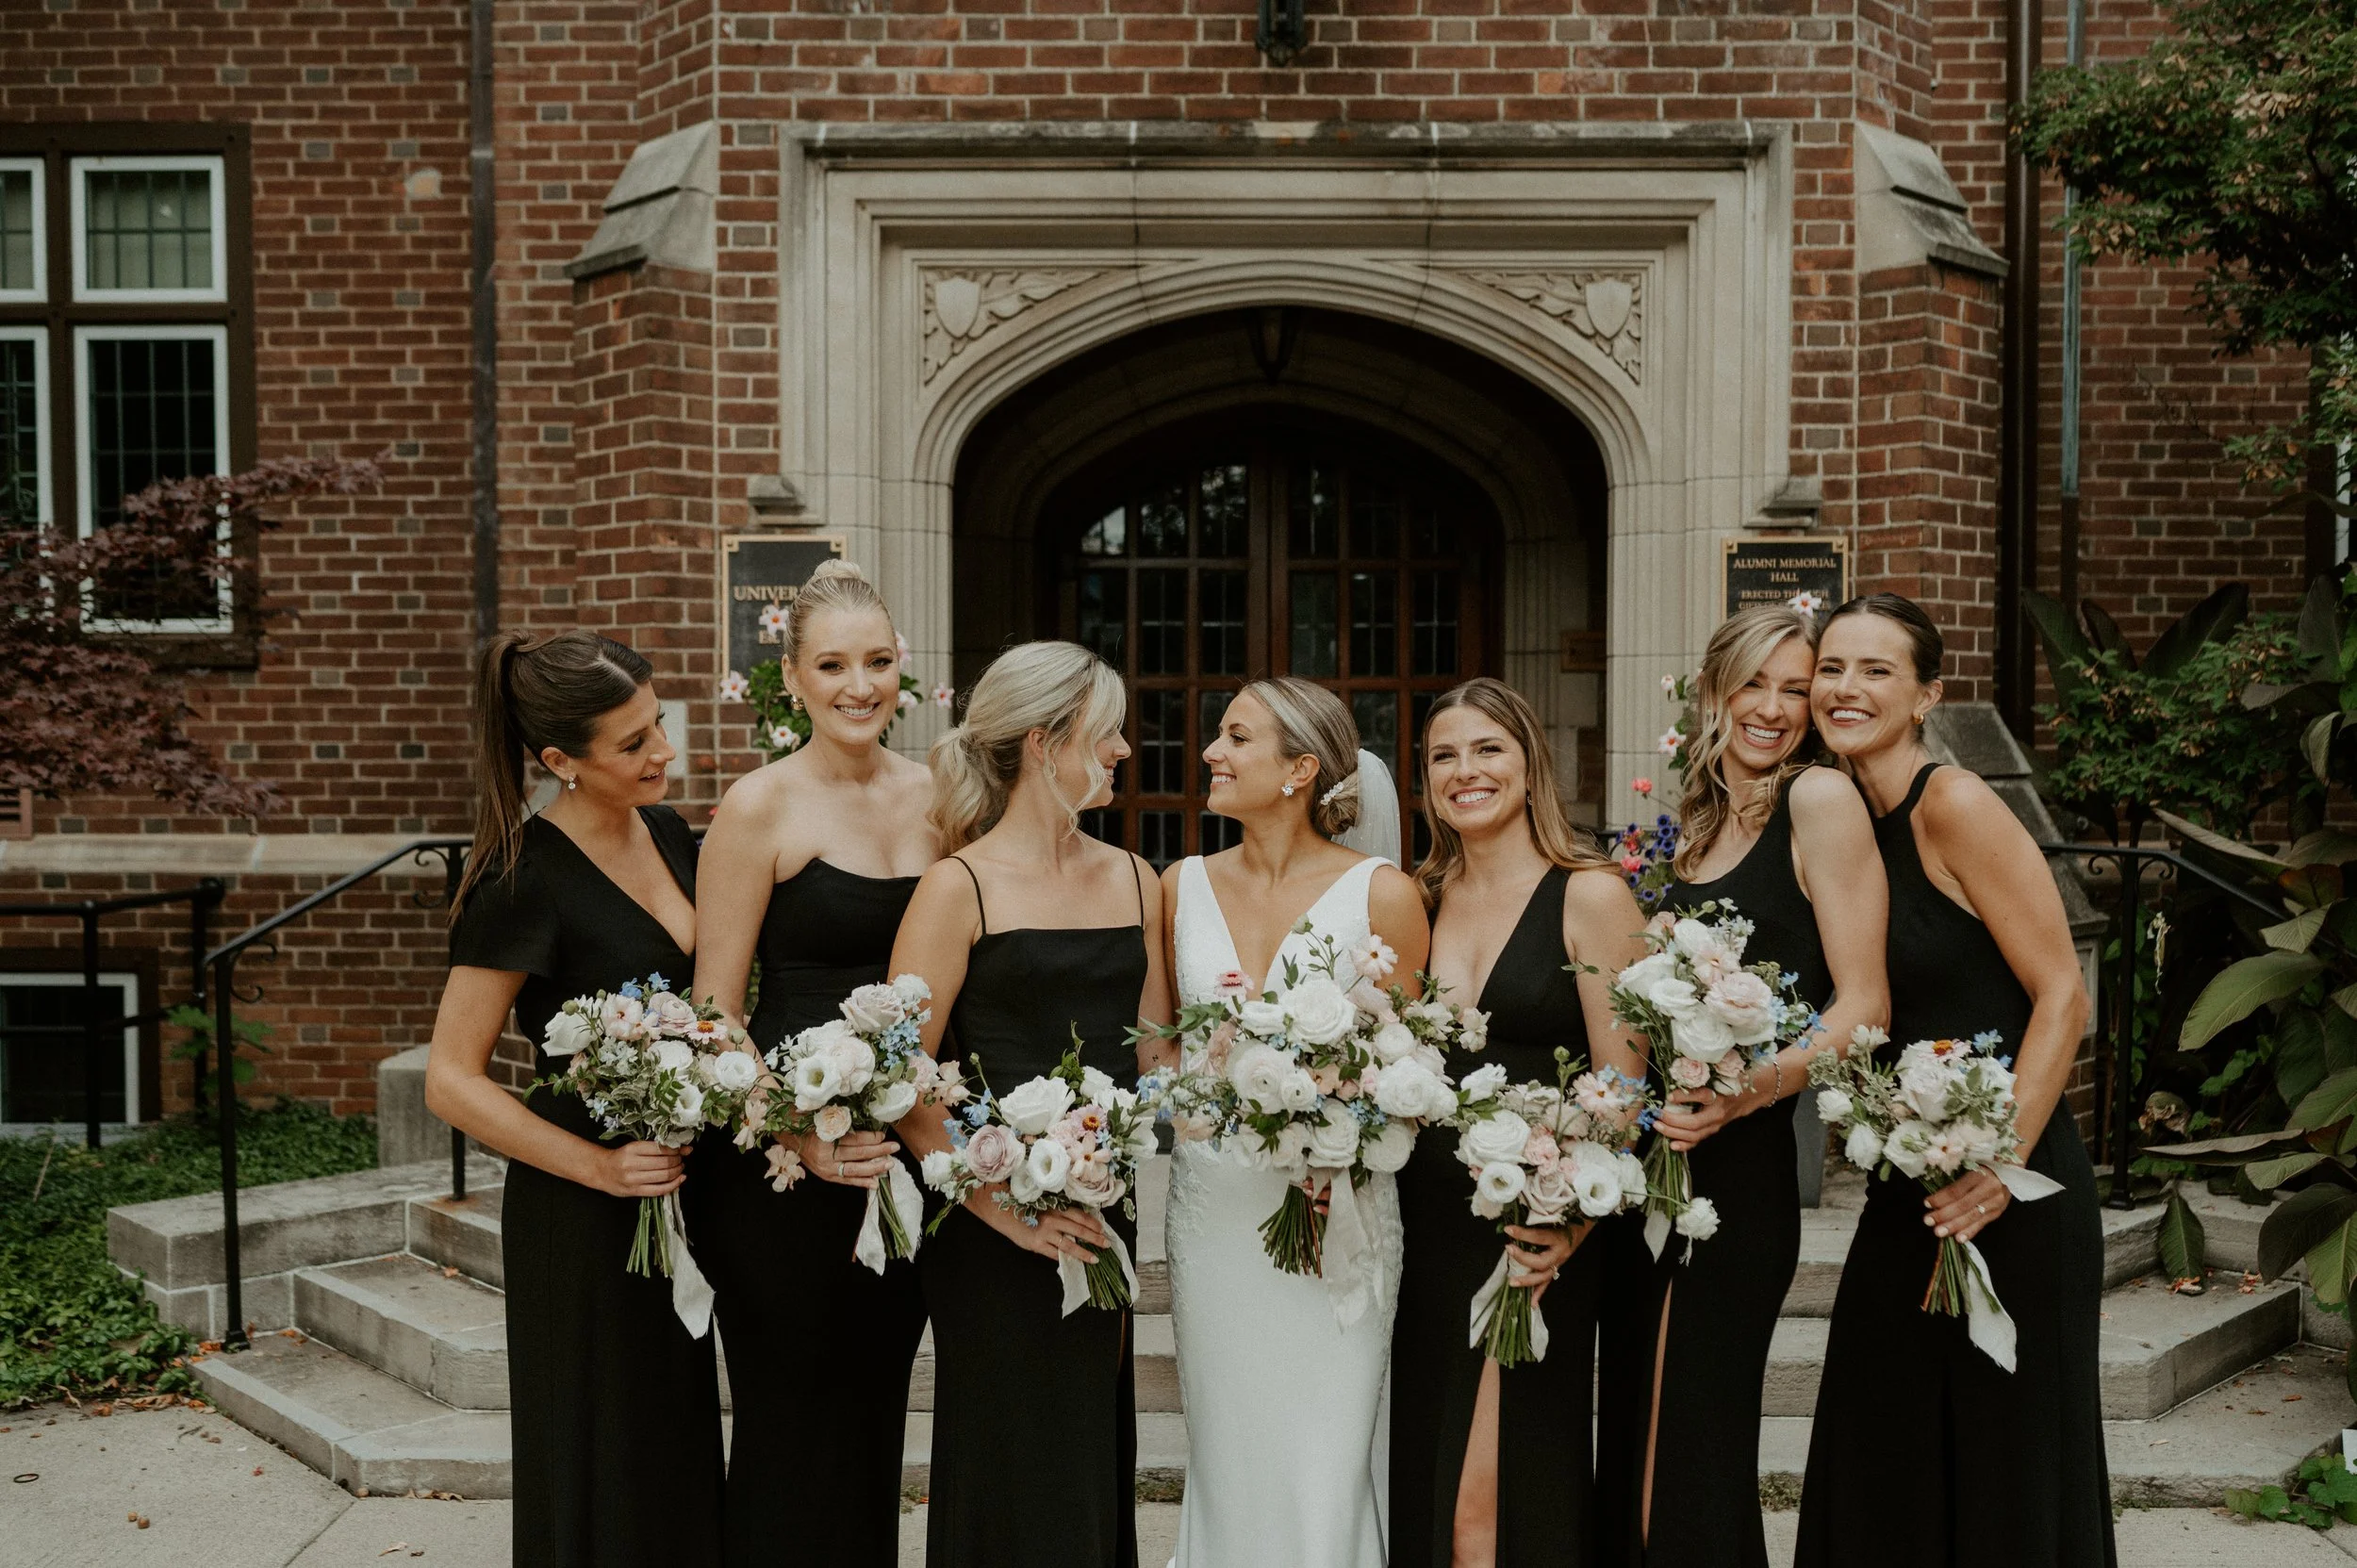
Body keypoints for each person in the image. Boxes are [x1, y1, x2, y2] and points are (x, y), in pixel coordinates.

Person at [1792, 594, 2114, 1567]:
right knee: (1880, 1445)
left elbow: (2063, 995)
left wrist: (1999, 1159)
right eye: (1832, 667)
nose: (1846, 689)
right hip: (1908, 1187)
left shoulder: (1954, 804)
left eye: (1877, 670)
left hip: (2013, 1186)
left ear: (1928, 693)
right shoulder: (1839, 820)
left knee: (2003, 1458)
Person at [1592, 604, 1889, 1568]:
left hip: (1739, 1171)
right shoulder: (1697, 828)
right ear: (1713, 688)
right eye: (1752, 683)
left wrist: (1745, 1091)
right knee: (1640, 1425)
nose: (1771, 708)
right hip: (1654, 1166)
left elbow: (1862, 1002)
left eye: (1795, 689)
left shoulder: (1817, 802)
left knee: (1691, 1444)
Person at [424, 631, 721, 1567]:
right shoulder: (520, 878)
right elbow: (451, 1077)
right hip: (580, 1216)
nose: (661, 752)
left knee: (671, 1449)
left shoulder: (669, 833)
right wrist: (598, 1165)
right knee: (598, 1459)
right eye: (632, 743)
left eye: (658, 725)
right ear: (560, 761)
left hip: (673, 1193)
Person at [886, 640, 1172, 1568]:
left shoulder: (1136, 877)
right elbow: (901, 1074)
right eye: (1109, 731)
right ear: (1048, 743)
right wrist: (1001, 1206)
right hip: (987, 1224)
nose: (1125, 749)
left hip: (1099, 1205)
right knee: (1009, 1458)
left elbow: (1154, 1051)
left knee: (1086, 1455)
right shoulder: (955, 885)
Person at [684, 561, 935, 1566]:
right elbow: (714, 1007)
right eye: (832, 664)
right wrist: (795, 1127)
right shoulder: (758, 807)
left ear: (902, 667)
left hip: (902, 1157)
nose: (857, 684)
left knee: (874, 1413)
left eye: (875, 660)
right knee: (791, 1419)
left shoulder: (940, 796)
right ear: (792, 680)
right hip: (778, 1172)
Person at [1161, 676, 1433, 1568]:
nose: (1212, 751)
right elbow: (1157, 1046)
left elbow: (1408, 1062)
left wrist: (1329, 1115)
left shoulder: (1382, 894)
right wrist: (1207, 1093)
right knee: (1229, 1442)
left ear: (1299, 770)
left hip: (1336, 1208)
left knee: (1326, 1447)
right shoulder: (1180, 886)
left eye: (1237, 737)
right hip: (1218, 1212)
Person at [1390, 677, 1651, 1568]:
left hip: (1531, 1230)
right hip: (1423, 1231)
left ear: (1530, 760)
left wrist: (1570, 1219)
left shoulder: (1590, 894)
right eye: (1443, 756)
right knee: (1432, 1477)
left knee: (1490, 1503)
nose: (1466, 771)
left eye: (1487, 748)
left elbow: (1622, 1088)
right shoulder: (1418, 898)